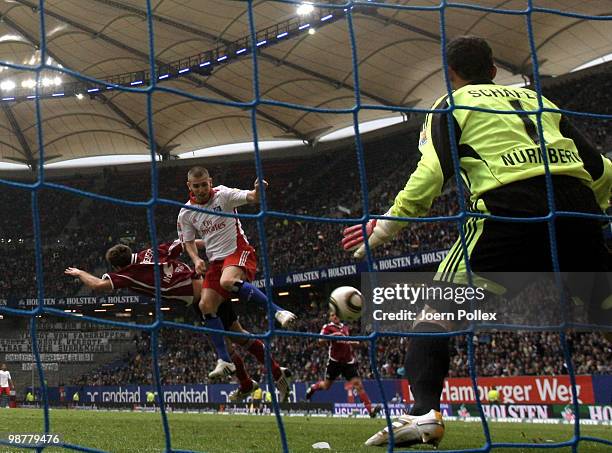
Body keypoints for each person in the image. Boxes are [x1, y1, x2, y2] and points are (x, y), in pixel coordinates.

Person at [342, 35, 612, 448]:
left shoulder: (451, 105)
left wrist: (383, 229)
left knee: (433, 311)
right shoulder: (539, 100)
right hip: (576, 208)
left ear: (452, 75)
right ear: (493, 69)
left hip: (510, 209)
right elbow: (599, 168)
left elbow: (432, 174)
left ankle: (424, 415)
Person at [65, 240, 292, 401]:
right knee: (234, 338)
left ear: (116, 266)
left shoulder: (128, 272)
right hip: (204, 287)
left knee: (235, 341)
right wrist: (206, 248)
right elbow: (184, 242)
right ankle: (249, 382)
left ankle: (271, 375)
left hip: (204, 296)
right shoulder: (153, 251)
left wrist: (79, 272)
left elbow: (96, 285)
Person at [177, 166, 296, 378]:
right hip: (215, 262)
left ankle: (278, 311)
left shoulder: (224, 195)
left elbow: (251, 197)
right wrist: (196, 260)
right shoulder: (186, 213)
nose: (202, 189)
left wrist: (258, 191)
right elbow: (187, 242)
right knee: (205, 305)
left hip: (238, 251)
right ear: (189, 186)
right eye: (197, 186)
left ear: (210, 182)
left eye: (205, 184)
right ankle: (224, 359)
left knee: (227, 281)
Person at [305, 312, 381, 419]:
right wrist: (333, 336)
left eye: (337, 315)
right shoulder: (327, 327)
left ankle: (370, 410)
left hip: (348, 362)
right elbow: (320, 341)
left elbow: (350, 342)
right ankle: (313, 387)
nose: (335, 317)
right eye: (332, 315)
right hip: (334, 362)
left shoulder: (345, 328)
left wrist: (354, 342)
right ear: (330, 317)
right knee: (326, 386)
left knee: (358, 384)